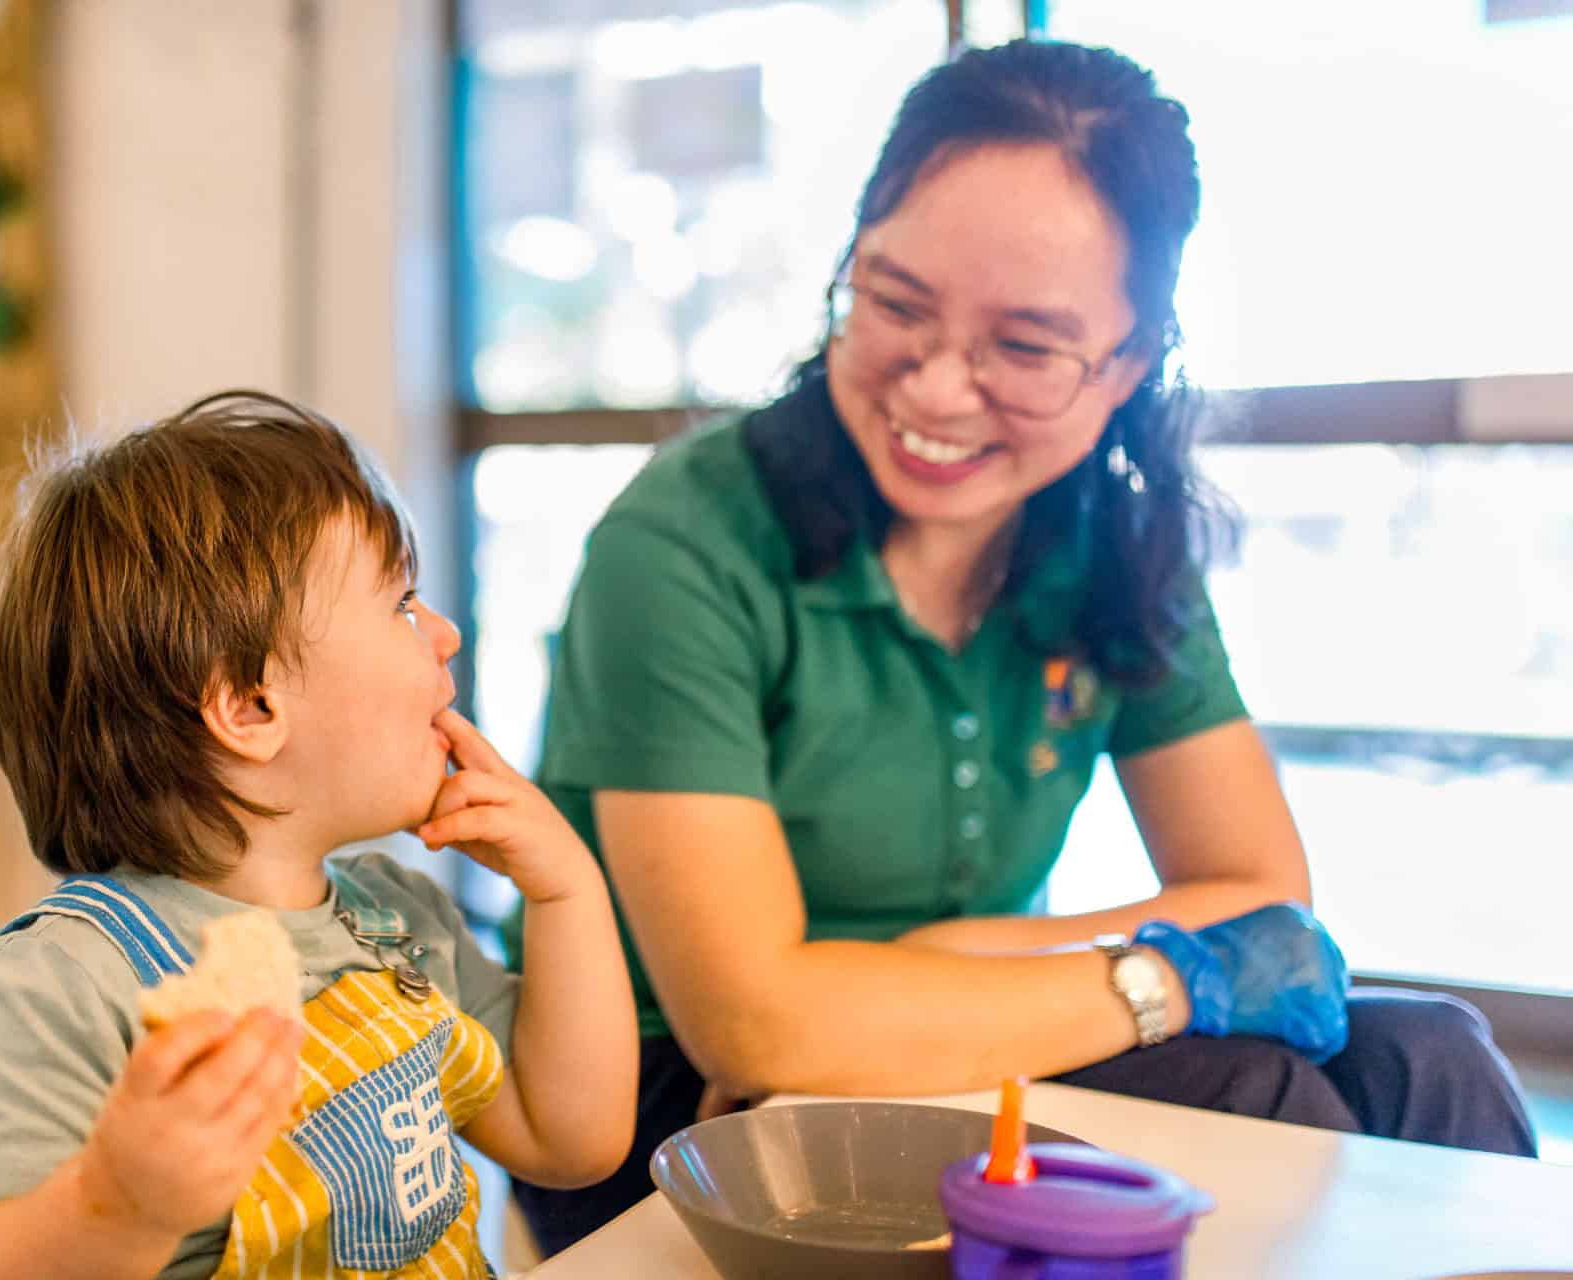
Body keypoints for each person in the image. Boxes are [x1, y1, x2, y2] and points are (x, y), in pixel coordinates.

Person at [506, 38, 1537, 1257]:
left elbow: (1263, 898)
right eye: (894, 304)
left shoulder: (1113, 539)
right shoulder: (684, 539)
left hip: (966, 1028)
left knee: (1435, 1055)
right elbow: (754, 1030)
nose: (936, 391)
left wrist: (929, 966)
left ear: (1133, 364)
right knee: (1263, 1098)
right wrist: (1159, 979)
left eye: (1027, 345)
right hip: (664, 1099)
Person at [0, 391, 638, 1280]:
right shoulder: (63, 988)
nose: (445, 634)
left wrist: (567, 890)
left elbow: (570, 1136)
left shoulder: (395, 921)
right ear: (250, 707)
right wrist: (117, 1202)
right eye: (402, 603)